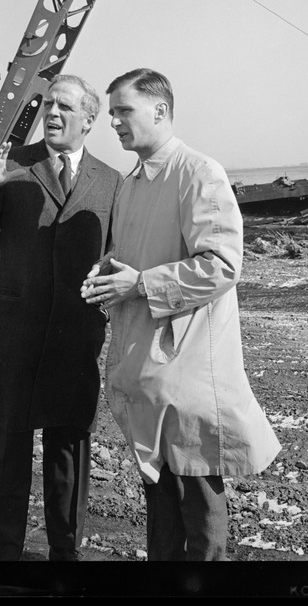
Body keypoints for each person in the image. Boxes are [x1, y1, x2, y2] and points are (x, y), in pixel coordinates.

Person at [81, 68, 280, 561]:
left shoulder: (198, 172)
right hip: (147, 369)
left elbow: (222, 264)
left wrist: (141, 282)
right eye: (112, 114)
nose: (115, 123)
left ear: (161, 111)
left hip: (189, 369)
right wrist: (112, 269)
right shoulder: (130, 185)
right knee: (160, 502)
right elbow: (142, 254)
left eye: (124, 111)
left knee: (198, 505)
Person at [0, 74, 121, 561]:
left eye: (64, 106)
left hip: (74, 341)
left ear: (88, 119)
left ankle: (66, 558)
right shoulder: (12, 166)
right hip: (13, 338)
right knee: (9, 456)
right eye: (48, 104)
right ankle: (6, 556)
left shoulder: (111, 182)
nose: (51, 113)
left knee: (69, 455)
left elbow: (117, 254)